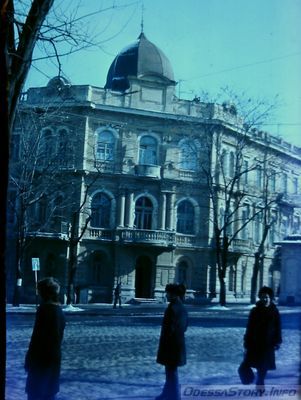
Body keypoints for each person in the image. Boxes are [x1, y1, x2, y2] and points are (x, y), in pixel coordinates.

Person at [25, 277, 66, 400]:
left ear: (44, 292)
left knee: (36, 394)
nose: (38, 293)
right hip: (53, 359)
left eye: (39, 290)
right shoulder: (59, 310)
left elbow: (37, 338)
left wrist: (30, 358)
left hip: (40, 361)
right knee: (49, 393)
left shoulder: (45, 310)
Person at [243, 286, 282, 390]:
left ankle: (260, 381)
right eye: (263, 297)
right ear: (260, 298)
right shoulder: (254, 311)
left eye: (267, 297)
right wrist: (246, 341)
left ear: (271, 298)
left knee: (263, 366)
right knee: (247, 364)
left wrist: (278, 341)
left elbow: (278, 327)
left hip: (268, 343)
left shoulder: (274, 311)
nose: (265, 299)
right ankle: (249, 379)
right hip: (254, 342)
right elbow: (249, 327)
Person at [156, 283, 188, 400]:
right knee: (171, 371)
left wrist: (167, 341)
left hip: (171, 345)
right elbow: (185, 326)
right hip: (178, 344)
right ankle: (167, 393)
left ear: (174, 294)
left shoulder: (172, 308)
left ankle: (174, 396)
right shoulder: (181, 307)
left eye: (168, 293)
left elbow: (169, 329)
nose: (167, 295)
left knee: (171, 372)